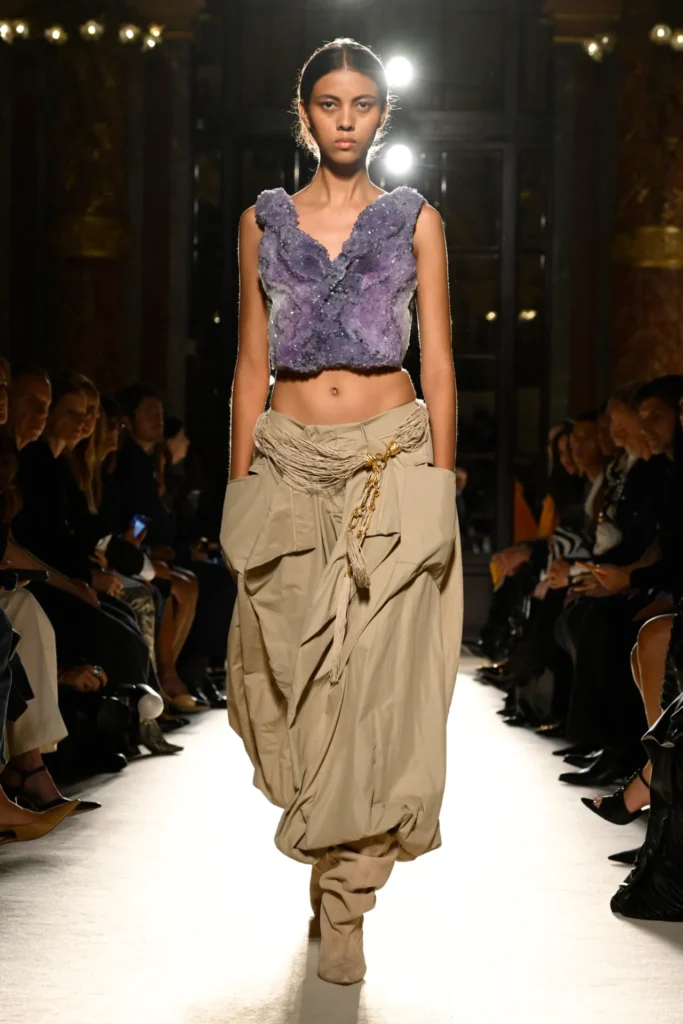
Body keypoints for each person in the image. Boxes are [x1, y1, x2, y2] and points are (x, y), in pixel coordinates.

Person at [222, 38, 461, 986]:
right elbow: (250, 362)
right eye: (330, 103)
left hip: (390, 460)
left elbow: (437, 360)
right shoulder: (262, 223)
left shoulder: (416, 221)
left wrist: (440, 480)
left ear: (382, 115)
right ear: (305, 114)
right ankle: (326, 851)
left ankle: (347, 898)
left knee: (378, 685)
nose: (346, 119)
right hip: (286, 462)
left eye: (363, 103)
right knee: (286, 681)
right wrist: (239, 486)